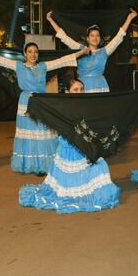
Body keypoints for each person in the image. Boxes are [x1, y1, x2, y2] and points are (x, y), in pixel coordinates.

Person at [18, 73, 120, 213]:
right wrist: (36, 100)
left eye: (81, 89)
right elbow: (47, 108)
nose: (80, 92)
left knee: (100, 166)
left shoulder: (88, 104)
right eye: (75, 90)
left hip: (86, 146)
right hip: (69, 148)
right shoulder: (61, 105)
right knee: (70, 186)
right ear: (67, 91)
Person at [0, 43, 89, 174]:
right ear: (25, 54)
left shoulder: (43, 66)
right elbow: (0, 60)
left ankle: (43, 166)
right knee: (29, 133)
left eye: (36, 52)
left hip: (40, 101)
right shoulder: (18, 66)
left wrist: (81, 53)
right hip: (26, 102)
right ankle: (29, 164)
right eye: (30, 52)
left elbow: (62, 61)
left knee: (42, 131)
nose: (33, 54)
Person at [46, 9, 137, 92]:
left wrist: (129, 18)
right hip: (83, 86)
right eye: (92, 35)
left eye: (97, 35)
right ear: (87, 38)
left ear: (100, 38)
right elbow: (64, 37)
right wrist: (51, 20)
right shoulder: (80, 49)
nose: (95, 38)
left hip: (100, 85)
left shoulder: (105, 51)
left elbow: (119, 36)